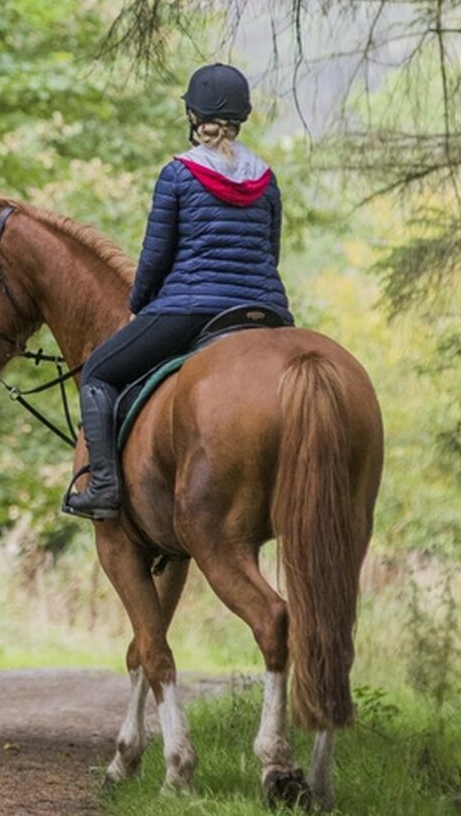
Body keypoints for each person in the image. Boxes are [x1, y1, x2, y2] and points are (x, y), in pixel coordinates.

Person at [63, 63, 294, 521]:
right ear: (240, 118)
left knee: (99, 373)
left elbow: (153, 260)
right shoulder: (265, 179)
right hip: (265, 312)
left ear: (194, 115)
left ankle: (104, 487)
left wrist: (137, 306)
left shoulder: (178, 175)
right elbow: (271, 251)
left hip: (191, 308)